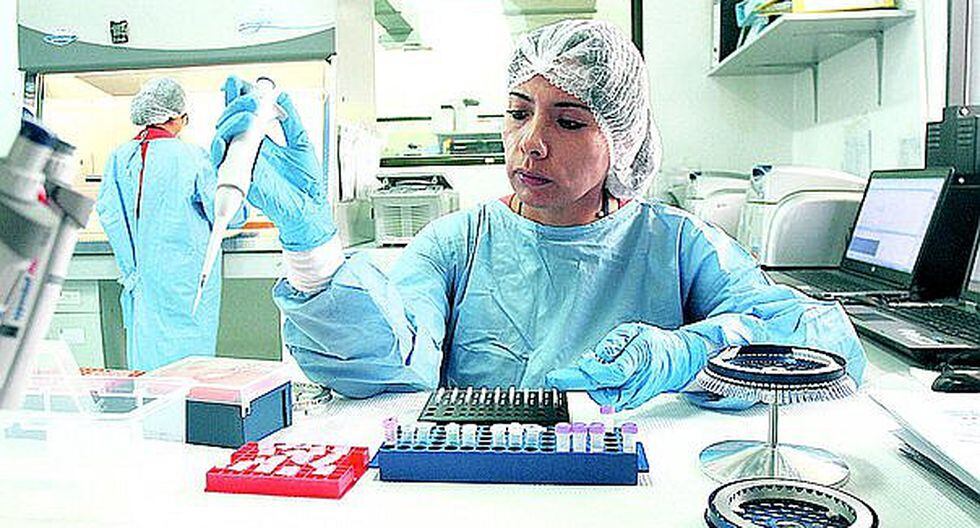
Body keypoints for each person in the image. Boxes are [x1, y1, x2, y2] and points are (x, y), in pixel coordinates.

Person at [211, 20, 866, 410]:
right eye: (519, 113)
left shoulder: (677, 244)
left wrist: (692, 355)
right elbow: (391, 360)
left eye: (569, 121)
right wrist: (313, 252)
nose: (531, 142)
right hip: (485, 486)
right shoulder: (456, 244)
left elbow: (826, 346)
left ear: (623, 139)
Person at [97, 77, 246, 370]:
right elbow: (228, 215)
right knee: (190, 367)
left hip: (141, 280)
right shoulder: (192, 157)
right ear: (175, 116)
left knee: (149, 364)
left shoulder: (119, 157)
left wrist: (131, 267)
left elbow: (109, 214)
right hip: (185, 281)